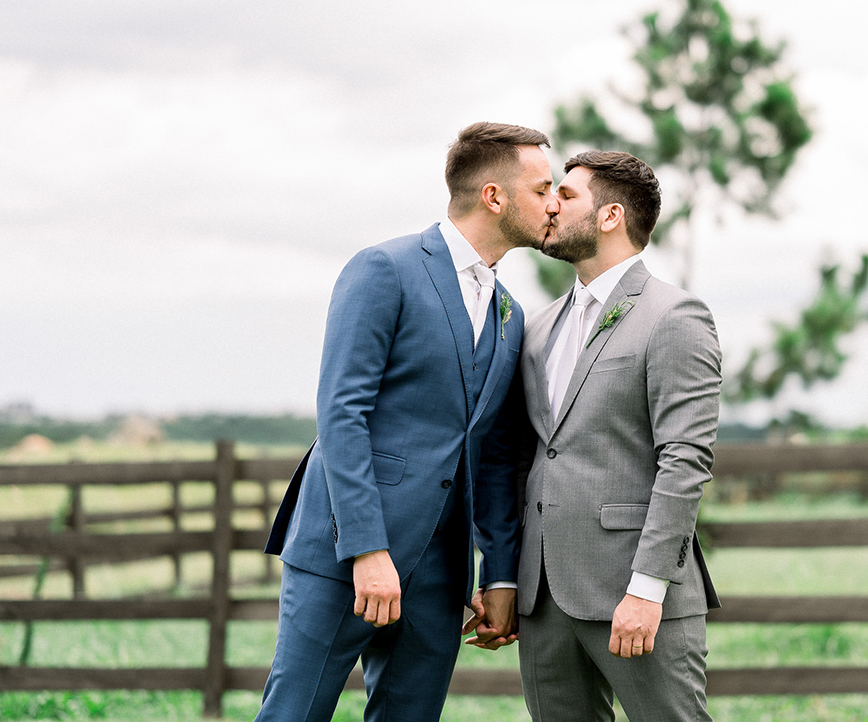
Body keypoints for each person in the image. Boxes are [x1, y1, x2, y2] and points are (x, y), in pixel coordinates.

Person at [254, 121, 558, 722]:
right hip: (346, 553)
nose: (556, 203)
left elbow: (494, 455)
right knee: (293, 714)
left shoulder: (509, 312)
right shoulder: (383, 269)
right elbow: (342, 413)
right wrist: (366, 550)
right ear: (495, 196)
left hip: (441, 573)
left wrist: (498, 574)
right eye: (545, 187)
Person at [514, 150, 722, 721]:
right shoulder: (537, 327)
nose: (549, 205)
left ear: (610, 216)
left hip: (634, 595)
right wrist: (507, 579)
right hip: (542, 600)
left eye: (567, 195)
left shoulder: (675, 317)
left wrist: (648, 587)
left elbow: (685, 459)